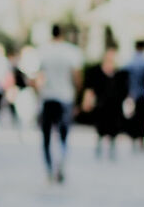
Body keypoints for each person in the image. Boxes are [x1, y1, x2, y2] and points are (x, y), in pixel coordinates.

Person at [32, 24, 85, 183]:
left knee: (47, 136)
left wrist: (38, 94)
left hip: (48, 97)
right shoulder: (71, 52)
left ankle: (49, 168)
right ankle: (61, 164)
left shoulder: (43, 51)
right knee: (63, 134)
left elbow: (37, 78)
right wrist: (77, 95)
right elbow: (77, 77)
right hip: (65, 97)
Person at [81, 45, 130, 158]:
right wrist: (87, 101)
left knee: (114, 128)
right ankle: (99, 148)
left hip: (115, 105)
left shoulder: (120, 73)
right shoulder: (97, 72)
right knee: (101, 127)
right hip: (102, 105)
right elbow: (90, 88)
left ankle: (112, 149)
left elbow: (124, 91)